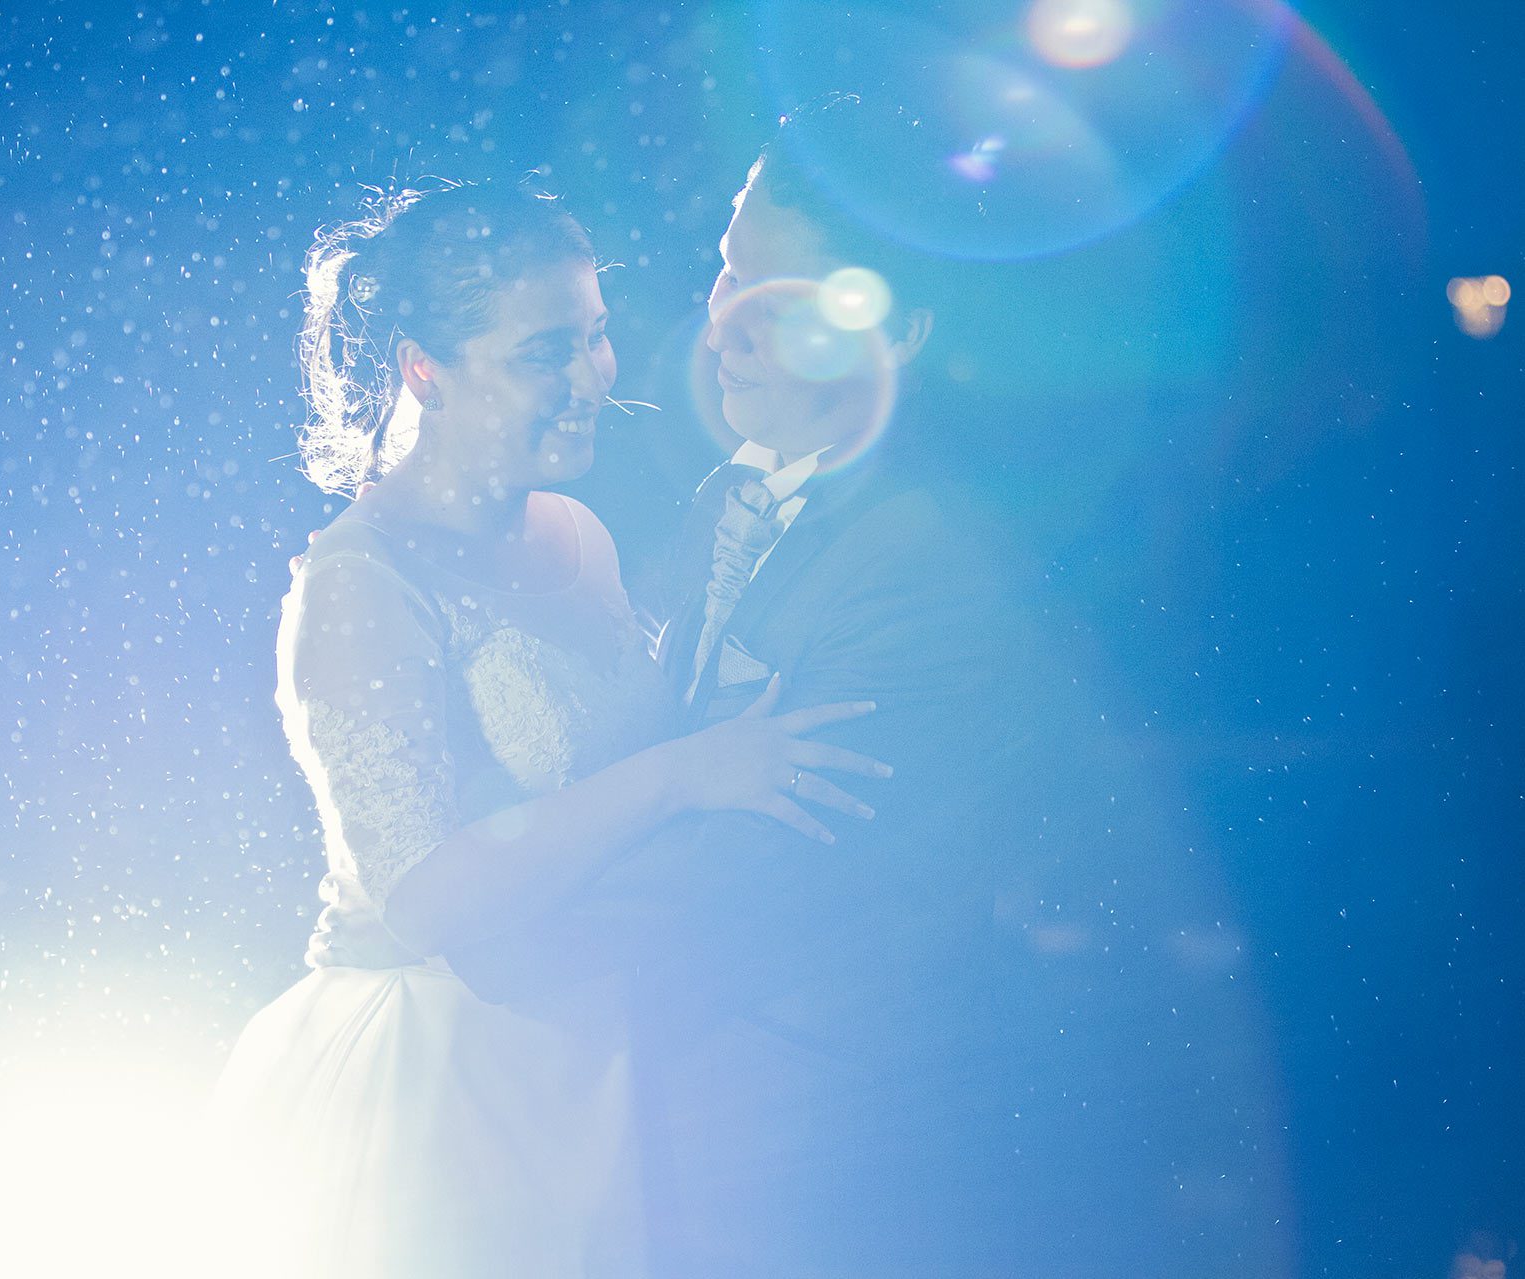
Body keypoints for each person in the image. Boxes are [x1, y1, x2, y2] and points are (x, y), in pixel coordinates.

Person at [321, 100, 1293, 1275]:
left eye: (779, 301)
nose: (724, 325)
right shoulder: (691, 509)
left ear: (897, 334)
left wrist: (479, 967)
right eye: (731, 275)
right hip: (609, 1126)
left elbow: (747, 885)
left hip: (819, 1156)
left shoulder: (928, 571)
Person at [207, 181, 890, 1279]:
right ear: (425, 367)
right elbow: (426, 896)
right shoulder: (358, 584)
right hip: (442, 1091)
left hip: (606, 1055)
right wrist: (680, 775)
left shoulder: (577, 529)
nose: (592, 381)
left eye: (599, 337)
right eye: (545, 353)